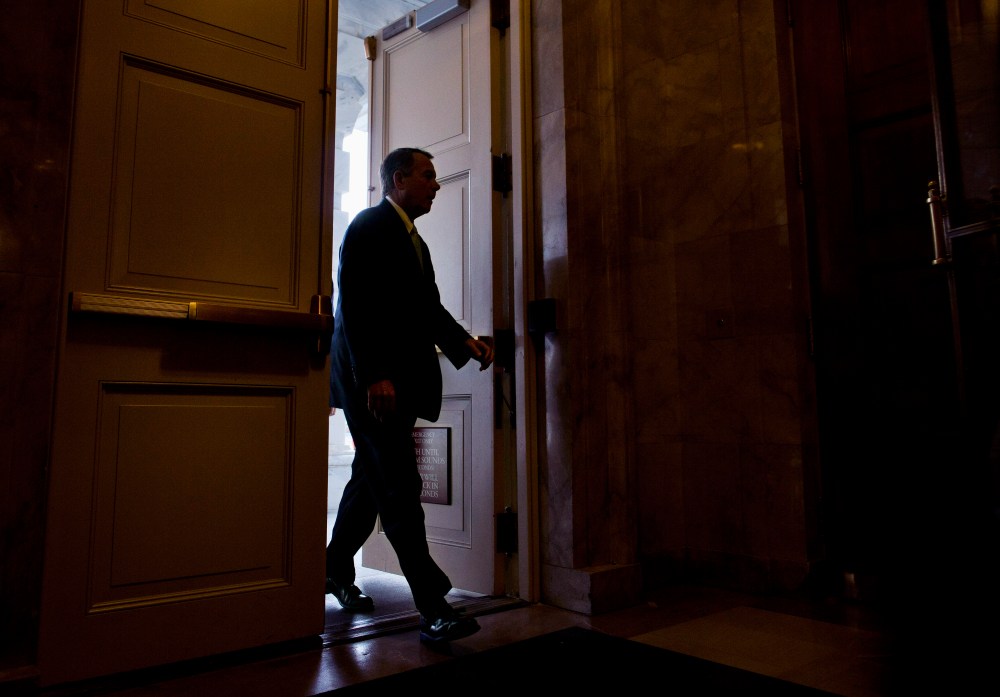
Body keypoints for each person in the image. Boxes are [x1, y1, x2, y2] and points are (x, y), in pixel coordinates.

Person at [326, 147, 494, 643]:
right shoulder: (368, 226)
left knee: (370, 479)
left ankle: (334, 569)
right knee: (399, 486)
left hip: (390, 381)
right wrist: (375, 374)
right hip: (373, 383)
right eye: (428, 176)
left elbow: (427, 307)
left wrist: (464, 342)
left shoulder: (409, 236)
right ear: (399, 179)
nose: (436, 185)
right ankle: (432, 604)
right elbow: (353, 308)